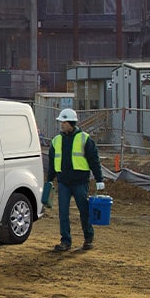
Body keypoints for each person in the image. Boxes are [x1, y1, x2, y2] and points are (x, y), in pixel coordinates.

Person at [46, 108, 104, 252]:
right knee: (63, 213)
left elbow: (94, 160)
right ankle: (65, 241)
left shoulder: (85, 138)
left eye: (63, 122)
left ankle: (88, 238)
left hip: (80, 182)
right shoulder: (56, 141)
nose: (61, 124)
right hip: (63, 182)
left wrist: (99, 179)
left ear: (70, 122)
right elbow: (52, 162)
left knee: (84, 211)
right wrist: (49, 179)